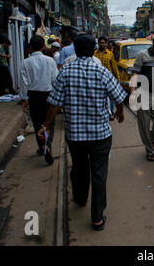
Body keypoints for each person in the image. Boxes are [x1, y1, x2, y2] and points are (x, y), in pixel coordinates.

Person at [38, 34, 127, 231]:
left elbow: (54, 103)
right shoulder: (102, 71)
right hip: (100, 135)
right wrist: (120, 111)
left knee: (79, 168)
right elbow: (119, 96)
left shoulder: (66, 71)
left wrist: (45, 125)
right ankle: (97, 217)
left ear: (76, 50)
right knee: (99, 174)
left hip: (75, 135)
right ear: (93, 49)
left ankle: (80, 198)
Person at [20, 36, 58, 165]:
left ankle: (42, 146)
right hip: (48, 94)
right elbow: (55, 80)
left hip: (33, 96)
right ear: (43, 47)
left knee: (37, 122)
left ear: (30, 46)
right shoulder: (50, 61)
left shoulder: (25, 62)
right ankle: (48, 145)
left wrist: (24, 99)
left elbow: (24, 83)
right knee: (49, 122)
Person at [131, 35, 154, 162]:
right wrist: (132, 92)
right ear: (153, 45)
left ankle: (152, 139)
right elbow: (135, 73)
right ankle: (150, 150)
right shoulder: (142, 55)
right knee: (144, 124)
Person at [94, 36, 121, 120]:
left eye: (103, 43)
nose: (102, 44)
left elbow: (114, 67)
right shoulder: (94, 53)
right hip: (96, 78)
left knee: (110, 96)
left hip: (107, 78)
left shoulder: (110, 54)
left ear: (106, 44)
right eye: (100, 43)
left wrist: (118, 79)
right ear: (98, 44)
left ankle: (111, 113)